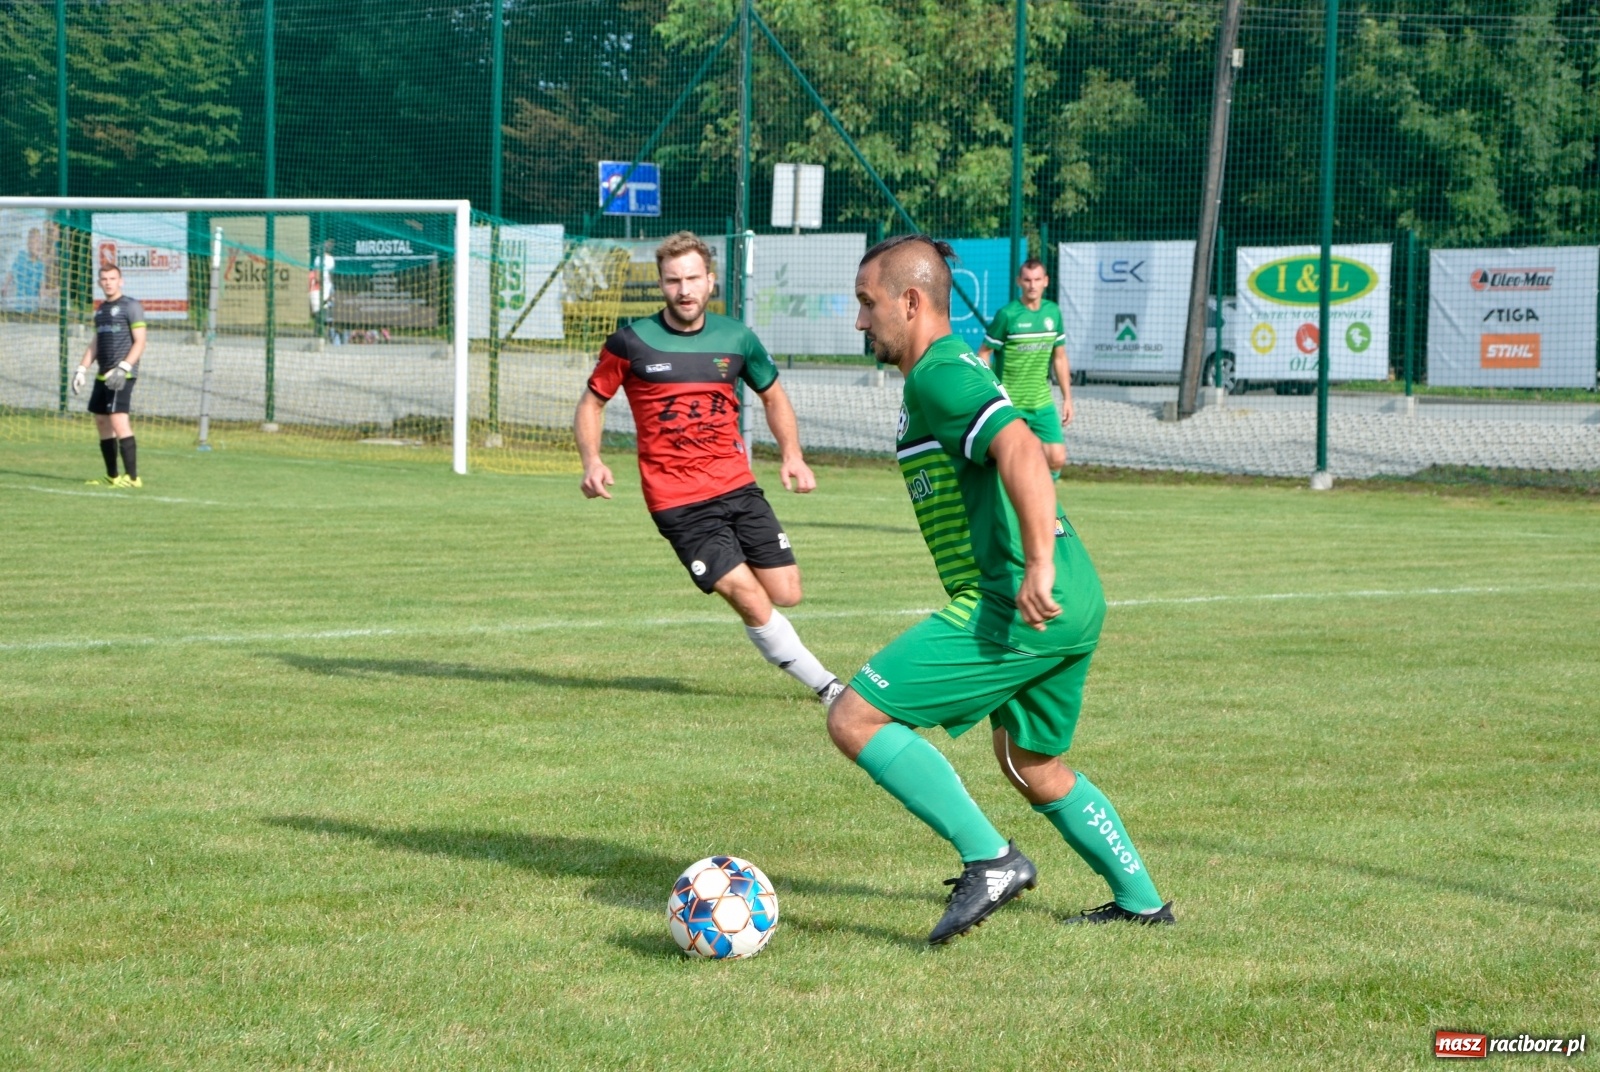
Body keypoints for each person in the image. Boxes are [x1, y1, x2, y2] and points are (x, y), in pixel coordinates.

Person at [830, 234, 1172, 945]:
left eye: (868, 304)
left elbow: (1018, 444)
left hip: (1017, 596)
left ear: (912, 301)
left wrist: (1036, 563)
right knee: (1030, 763)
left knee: (855, 718)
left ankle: (991, 860)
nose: (860, 320)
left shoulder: (940, 374)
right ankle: (1142, 903)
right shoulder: (942, 371)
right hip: (1072, 595)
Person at [575, 231, 842, 703]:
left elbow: (773, 394)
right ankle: (828, 687)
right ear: (660, 283)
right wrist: (592, 461)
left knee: (787, 592)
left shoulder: (737, 337)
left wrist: (792, 455)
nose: (684, 290)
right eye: (674, 280)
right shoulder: (630, 342)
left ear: (711, 281)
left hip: (738, 486)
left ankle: (764, 616)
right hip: (678, 501)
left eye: (693, 278)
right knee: (749, 596)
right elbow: (593, 401)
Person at [977, 257, 1075, 476]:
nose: (1032, 285)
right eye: (1027, 280)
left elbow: (1059, 357)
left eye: (1037, 279)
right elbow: (984, 352)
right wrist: (988, 391)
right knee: (1012, 464)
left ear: (1046, 281)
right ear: (1018, 282)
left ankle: (1043, 506)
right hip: (1011, 404)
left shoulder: (1053, 313)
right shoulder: (1007, 315)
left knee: (1056, 458)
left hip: (1041, 401)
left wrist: (1067, 398)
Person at [71, 264, 146, 488]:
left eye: (112, 278)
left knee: (118, 420)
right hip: (103, 375)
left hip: (123, 374)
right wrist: (82, 369)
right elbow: (96, 342)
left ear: (120, 281)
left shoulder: (131, 306)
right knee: (102, 421)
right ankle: (112, 476)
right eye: (104, 279)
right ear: (99, 283)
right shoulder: (101, 310)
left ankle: (133, 478)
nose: (108, 282)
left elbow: (140, 341)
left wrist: (123, 368)